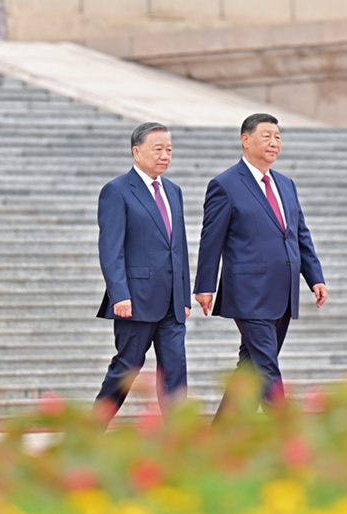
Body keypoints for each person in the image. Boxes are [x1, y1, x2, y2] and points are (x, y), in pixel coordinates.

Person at [193, 113, 327, 419]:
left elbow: (299, 233)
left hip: (283, 290)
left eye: (278, 137)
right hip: (248, 293)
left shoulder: (286, 184)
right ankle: (290, 435)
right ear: (246, 140)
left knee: (250, 368)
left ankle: (221, 437)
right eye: (266, 136)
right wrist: (204, 285)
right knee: (267, 367)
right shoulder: (225, 185)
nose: (274, 142)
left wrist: (314, 277)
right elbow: (211, 239)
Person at [94, 122, 191, 424]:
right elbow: (111, 250)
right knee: (126, 368)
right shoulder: (117, 191)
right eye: (157, 149)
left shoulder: (173, 191)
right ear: (136, 152)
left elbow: (179, 246)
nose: (165, 155)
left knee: (175, 370)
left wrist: (184, 295)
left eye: (169, 149)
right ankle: (92, 427)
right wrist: (119, 294)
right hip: (135, 301)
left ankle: (179, 437)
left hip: (172, 304)